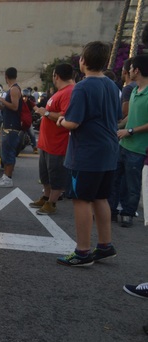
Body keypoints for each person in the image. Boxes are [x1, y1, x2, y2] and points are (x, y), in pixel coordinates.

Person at [55, 41, 121, 267]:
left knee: (81, 199)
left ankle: (82, 251)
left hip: (87, 153)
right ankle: (105, 245)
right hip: (109, 149)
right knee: (100, 197)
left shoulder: (83, 87)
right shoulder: (112, 85)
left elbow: (73, 122)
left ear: (83, 61)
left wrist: (62, 120)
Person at [30, 63, 75, 215]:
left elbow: (66, 116)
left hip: (57, 144)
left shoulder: (68, 92)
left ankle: (52, 203)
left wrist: (46, 114)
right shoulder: (60, 92)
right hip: (47, 143)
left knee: (56, 175)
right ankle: (46, 196)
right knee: (45, 174)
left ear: (56, 76)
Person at [110, 55, 148, 228]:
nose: (128, 71)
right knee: (114, 179)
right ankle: (110, 210)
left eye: (131, 68)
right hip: (122, 144)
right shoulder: (133, 90)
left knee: (133, 184)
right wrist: (118, 126)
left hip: (138, 148)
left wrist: (130, 131)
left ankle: (128, 213)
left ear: (137, 70)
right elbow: (130, 117)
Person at [0, 67, 22, 188]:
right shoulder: (11, 89)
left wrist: (0, 98)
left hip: (12, 127)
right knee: (6, 152)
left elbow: (14, 107)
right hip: (8, 124)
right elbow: (6, 109)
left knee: (9, 153)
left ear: (6, 76)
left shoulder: (14, 89)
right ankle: (5, 177)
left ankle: (8, 178)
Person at [21, 88, 38, 153]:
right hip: (20, 120)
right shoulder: (19, 102)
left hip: (27, 121)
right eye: (23, 97)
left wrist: (39, 111)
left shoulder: (30, 103)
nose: (24, 98)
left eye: (26, 97)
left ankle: (34, 147)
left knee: (32, 133)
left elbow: (36, 108)